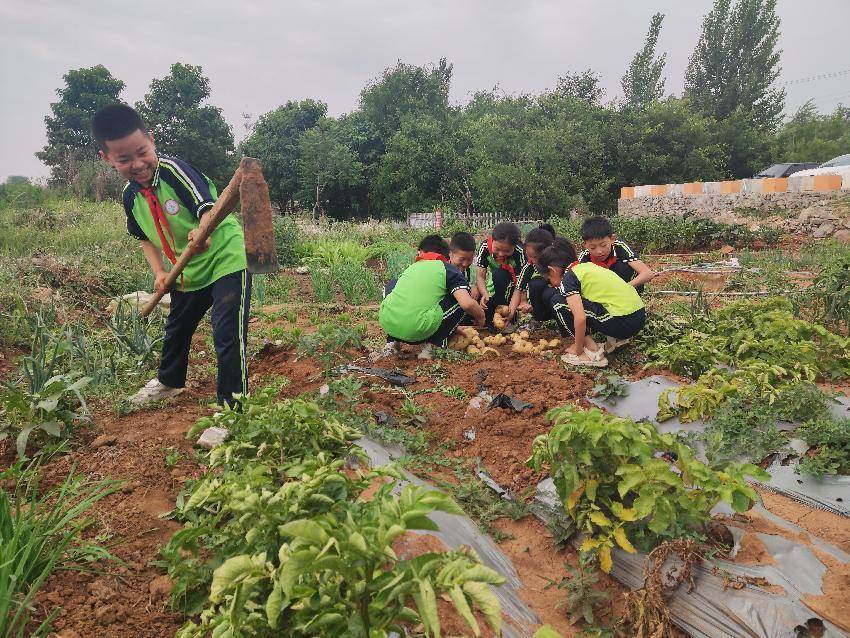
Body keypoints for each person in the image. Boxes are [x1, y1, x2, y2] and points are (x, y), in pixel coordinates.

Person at [92, 103, 251, 408]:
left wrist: (202, 231)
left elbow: (207, 208)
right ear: (107, 158)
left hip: (224, 256)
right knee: (177, 327)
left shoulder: (174, 171)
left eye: (142, 152)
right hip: (188, 270)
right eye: (125, 159)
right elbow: (143, 238)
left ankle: (234, 407)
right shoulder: (130, 196)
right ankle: (169, 382)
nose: (138, 164)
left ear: (151, 139)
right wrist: (159, 273)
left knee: (227, 330)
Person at [536, 238, 646, 368]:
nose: (550, 283)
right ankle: (616, 340)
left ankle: (592, 352)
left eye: (549, 279)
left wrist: (577, 347)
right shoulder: (587, 267)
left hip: (624, 322)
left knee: (558, 302)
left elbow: (580, 318)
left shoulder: (568, 279)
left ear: (552, 270)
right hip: (638, 315)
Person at [377, 235, 485, 360]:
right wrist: (481, 317)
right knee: (461, 296)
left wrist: (453, 328)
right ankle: (432, 346)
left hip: (389, 324)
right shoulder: (449, 269)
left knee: (395, 288)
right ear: (447, 256)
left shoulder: (411, 268)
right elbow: (467, 304)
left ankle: (391, 344)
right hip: (417, 330)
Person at [578, 215, 655, 294]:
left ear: (612, 239)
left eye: (603, 245)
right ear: (585, 245)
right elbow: (572, 283)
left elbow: (647, 274)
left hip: (628, 291)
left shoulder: (620, 247)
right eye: (593, 247)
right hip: (601, 295)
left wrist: (623, 288)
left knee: (622, 267)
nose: (599, 251)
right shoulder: (584, 257)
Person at [474, 222, 526, 331]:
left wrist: (511, 309)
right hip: (497, 284)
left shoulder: (520, 252)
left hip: (515, 286)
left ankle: (511, 316)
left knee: (499, 275)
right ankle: (489, 322)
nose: (501, 254)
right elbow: (480, 276)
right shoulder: (484, 247)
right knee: (478, 295)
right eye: (497, 249)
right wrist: (484, 294)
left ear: (514, 246)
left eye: (507, 251)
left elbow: (521, 284)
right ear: (492, 240)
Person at [514, 223, 559, 330]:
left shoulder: (559, 264)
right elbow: (519, 288)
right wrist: (522, 303)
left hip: (560, 301)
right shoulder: (530, 265)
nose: (532, 259)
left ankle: (563, 320)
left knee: (550, 293)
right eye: (528, 256)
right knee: (536, 283)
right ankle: (536, 320)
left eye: (535, 257)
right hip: (542, 308)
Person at [449, 231, 480, 300]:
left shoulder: (472, 270)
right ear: (450, 254)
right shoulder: (444, 270)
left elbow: (478, 280)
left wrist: (475, 287)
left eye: (469, 259)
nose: (465, 264)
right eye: (461, 259)